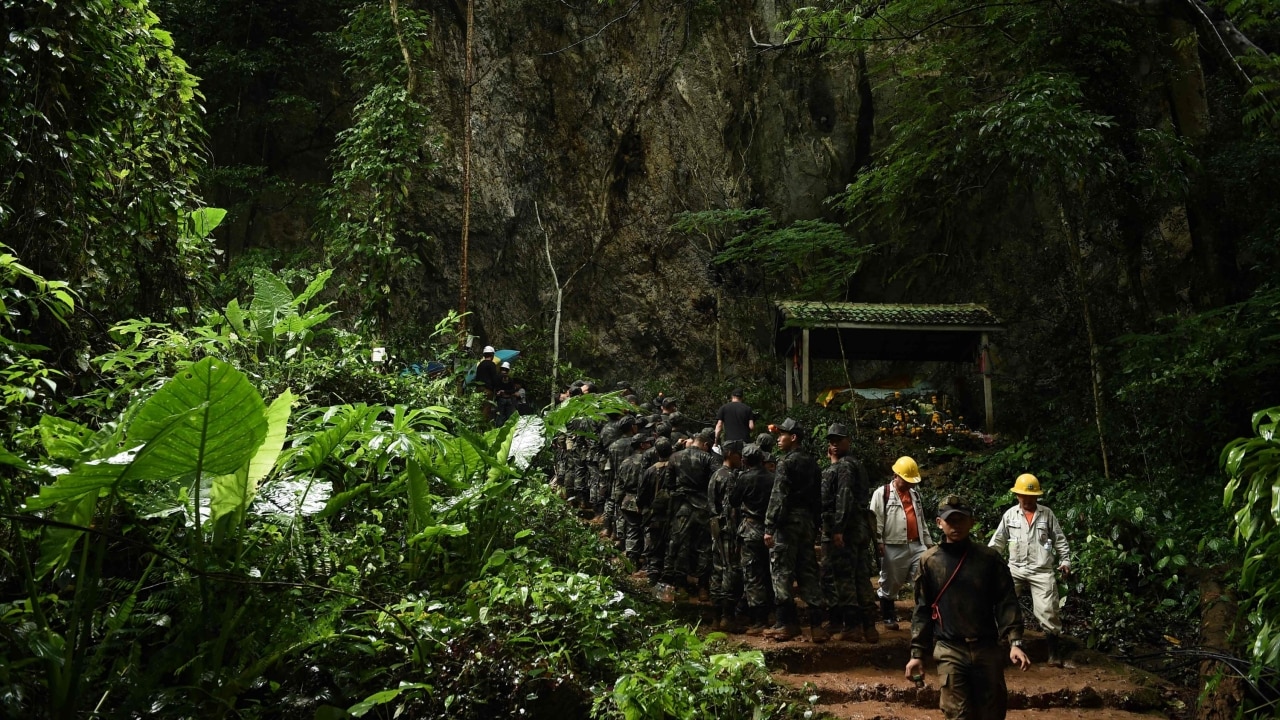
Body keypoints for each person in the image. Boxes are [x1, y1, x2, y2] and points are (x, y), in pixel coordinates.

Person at [906, 495, 1030, 720]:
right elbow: (922, 610)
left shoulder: (988, 559)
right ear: (939, 523)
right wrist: (917, 654)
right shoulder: (930, 561)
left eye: (961, 519)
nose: (956, 525)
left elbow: (1006, 601)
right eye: (950, 520)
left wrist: (1015, 642)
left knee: (992, 712)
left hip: (986, 648)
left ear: (972, 522)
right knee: (958, 714)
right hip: (949, 649)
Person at [988, 473, 1072, 667]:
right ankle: (1000, 647)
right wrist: (985, 562)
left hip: (1041, 569)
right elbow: (997, 542)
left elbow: (1059, 539)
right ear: (1017, 495)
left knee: (1048, 609)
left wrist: (1066, 560)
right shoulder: (1010, 515)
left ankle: (1054, 652)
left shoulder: (1047, 514)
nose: (1027, 500)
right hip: (1015, 568)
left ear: (1037, 496)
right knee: (1001, 602)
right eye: (1023, 496)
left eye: (1031, 496)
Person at [763, 418, 828, 642]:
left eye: (782, 435)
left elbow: (778, 496)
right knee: (807, 569)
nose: (778, 439)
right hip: (808, 523)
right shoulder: (813, 463)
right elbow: (818, 497)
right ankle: (817, 626)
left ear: (794, 438)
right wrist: (816, 523)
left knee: (781, 570)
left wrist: (769, 526)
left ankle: (786, 623)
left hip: (787, 523)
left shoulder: (785, 463)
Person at [819, 423, 878, 643]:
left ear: (848, 441)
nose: (834, 445)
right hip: (860, 527)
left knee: (844, 576)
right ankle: (869, 626)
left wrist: (838, 529)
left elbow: (844, 496)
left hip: (848, 529)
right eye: (831, 441)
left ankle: (852, 625)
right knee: (861, 575)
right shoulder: (856, 464)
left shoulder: (844, 466)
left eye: (838, 441)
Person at [869, 455, 934, 630]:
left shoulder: (915, 495)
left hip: (916, 544)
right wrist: (878, 542)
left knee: (922, 580)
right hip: (892, 545)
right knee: (891, 581)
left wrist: (929, 543)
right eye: (906, 480)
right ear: (896, 475)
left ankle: (922, 617)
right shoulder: (882, 493)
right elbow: (875, 520)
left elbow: (921, 520)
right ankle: (888, 616)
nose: (909, 484)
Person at [662, 428, 718, 599]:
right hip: (703, 507)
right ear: (705, 445)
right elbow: (715, 482)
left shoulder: (674, 457)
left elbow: (668, 483)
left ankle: (680, 584)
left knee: (680, 545)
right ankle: (703, 586)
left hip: (682, 507)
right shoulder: (708, 458)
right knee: (705, 547)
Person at [731, 443, 775, 634]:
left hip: (750, 529)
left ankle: (759, 620)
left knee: (752, 574)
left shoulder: (743, 478)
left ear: (745, 460)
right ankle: (771, 611)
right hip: (770, 530)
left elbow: (733, 500)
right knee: (768, 572)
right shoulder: (773, 478)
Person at [707, 439, 745, 631]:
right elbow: (731, 509)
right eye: (739, 454)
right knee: (731, 570)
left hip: (716, 528)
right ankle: (726, 617)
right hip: (728, 531)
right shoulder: (729, 477)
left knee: (717, 571)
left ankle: (716, 616)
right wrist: (736, 531)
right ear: (730, 454)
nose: (742, 458)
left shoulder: (715, 475)